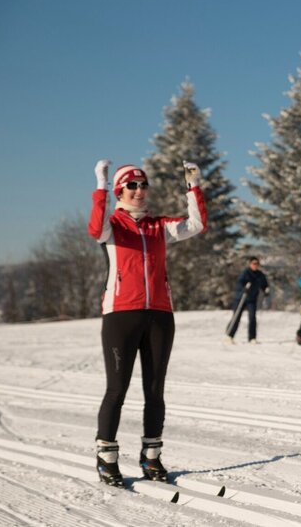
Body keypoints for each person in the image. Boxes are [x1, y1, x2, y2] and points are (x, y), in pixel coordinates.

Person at [87, 159, 207, 486]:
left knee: (155, 390)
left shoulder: (159, 226)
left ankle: (151, 456)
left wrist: (193, 186)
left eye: (143, 185)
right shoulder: (113, 225)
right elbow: (95, 228)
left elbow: (196, 225)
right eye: (132, 185)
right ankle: (106, 457)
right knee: (117, 389)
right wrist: (100, 185)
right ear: (119, 191)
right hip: (121, 316)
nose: (139, 190)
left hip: (160, 314)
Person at [226, 257, 269, 344]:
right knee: (236, 317)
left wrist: (266, 290)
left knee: (252, 318)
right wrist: (244, 288)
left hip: (252, 299)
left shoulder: (260, 275)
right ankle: (229, 335)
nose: (255, 265)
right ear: (250, 264)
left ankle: (252, 338)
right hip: (241, 298)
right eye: (253, 263)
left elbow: (264, 284)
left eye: (257, 263)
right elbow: (239, 283)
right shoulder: (245, 273)